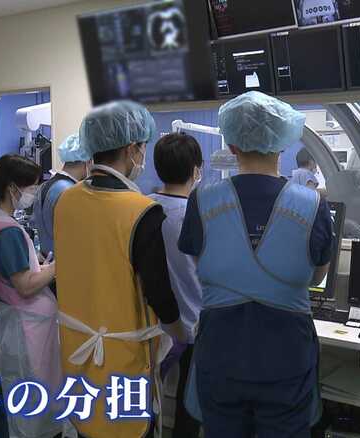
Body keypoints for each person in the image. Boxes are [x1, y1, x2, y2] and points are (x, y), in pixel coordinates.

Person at [179, 91, 334, 437]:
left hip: (221, 354)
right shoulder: (312, 205)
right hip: (286, 358)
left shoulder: (202, 200)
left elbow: (203, 263)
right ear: (283, 142)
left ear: (232, 145)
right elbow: (316, 275)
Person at [53, 101, 186, 438]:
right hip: (121, 354)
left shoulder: (67, 200)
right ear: (131, 149)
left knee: (87, 423)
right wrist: (179, 333)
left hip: (76, 347)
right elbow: (158, 291)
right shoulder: (140, 211)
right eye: (143, 146)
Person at [0, 154, 62, 438]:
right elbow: (25, 286)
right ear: (12, 188)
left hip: (27, 324)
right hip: (27, 328)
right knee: (32, 408)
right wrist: (58, 266)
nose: (34, 192)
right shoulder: (7, 231)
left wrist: (40, 265)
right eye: (31, 186)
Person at [148, 133, 204, 438]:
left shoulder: (142, 208)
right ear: (196, 170)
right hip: (193, 323)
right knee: (189, 405)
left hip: (151, 322)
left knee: (148, 396)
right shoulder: (198, 216)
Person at [31, 134, 91, 259]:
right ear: (87, 161)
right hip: (63, 263)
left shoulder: (45, 186)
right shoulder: (70, 192)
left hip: (46, 259)